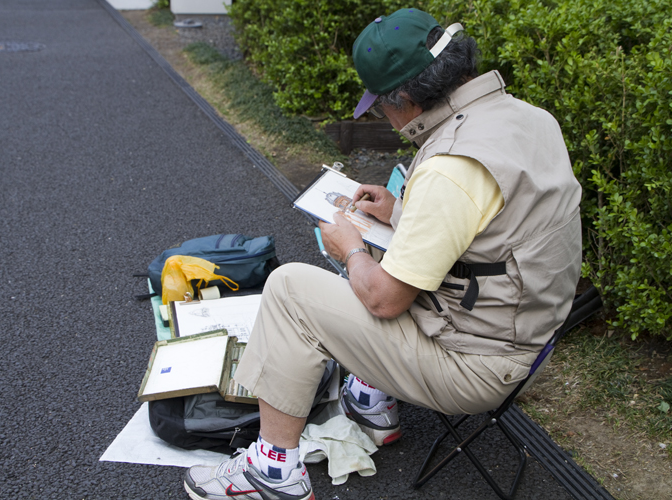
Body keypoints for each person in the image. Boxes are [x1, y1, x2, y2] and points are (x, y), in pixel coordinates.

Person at [182, 7, 582, 500]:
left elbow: (384, 300)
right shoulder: (526, 118)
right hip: (531, 335)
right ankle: (372, 401)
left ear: (408, 100)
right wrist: (400, 211)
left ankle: (273, 473)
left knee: (291, 289)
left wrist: (350, 248)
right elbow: (494, 230)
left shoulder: (450, 166)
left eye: (381, 107)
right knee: (382, 252)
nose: (382, 117)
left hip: (477, 365)